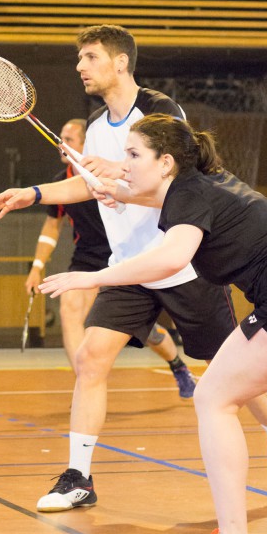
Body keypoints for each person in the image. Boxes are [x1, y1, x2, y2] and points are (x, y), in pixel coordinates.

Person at [0, 24, 267, 513]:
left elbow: (176, 175)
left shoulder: (161, 112)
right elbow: (87, 187)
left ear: (120, 63)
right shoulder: (96, 127)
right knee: (91, 359)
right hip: (131, 267)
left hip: (182, 264)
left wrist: (116, 171)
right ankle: (79, 476)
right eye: (79, 58)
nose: (80, 67)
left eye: (89, 57)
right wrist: (34, 193)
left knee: (229, 367)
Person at [38, 113, 267, 534]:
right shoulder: (207, 181)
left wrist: (92, 278)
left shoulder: (187, 196)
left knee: (213, 398)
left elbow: (171, 258)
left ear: (166, 162)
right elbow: (146, 196)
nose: (123, 163)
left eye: (133, 154)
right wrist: (112, 189)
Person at [26, 117, 196, 395]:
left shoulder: (115, 174)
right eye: (61, 139)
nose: (61, 145)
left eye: (68, 140)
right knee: (69, 310)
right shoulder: (61, 182)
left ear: (86, 144)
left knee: (150, 334)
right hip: (87, 256)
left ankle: (177, 365)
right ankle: (85, 383)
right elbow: (50, 228)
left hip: (124, 256)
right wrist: (37, 266)